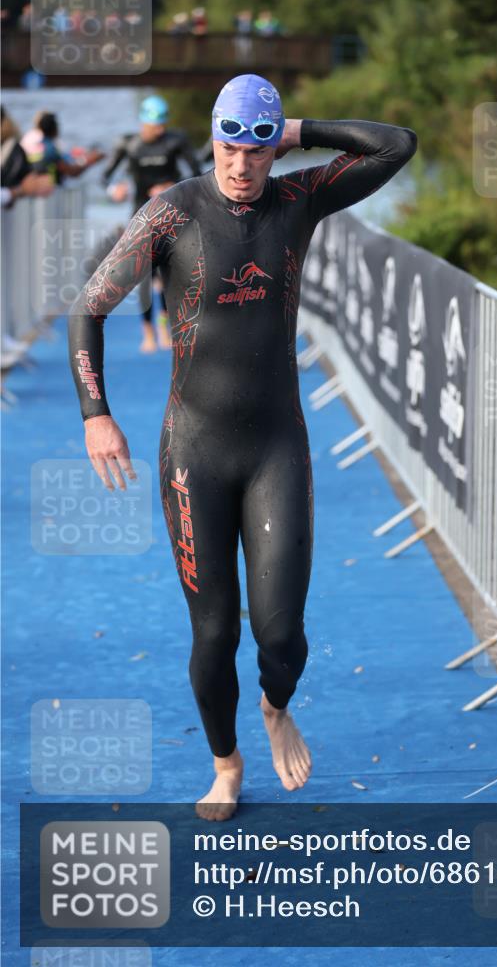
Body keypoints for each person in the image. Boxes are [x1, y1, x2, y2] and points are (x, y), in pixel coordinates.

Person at [68, 73, 417, 822]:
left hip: (273, 447)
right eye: (229, 146)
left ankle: (275, 704)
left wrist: (298, 131)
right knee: (215, 631)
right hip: (193, 449)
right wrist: (96, 413)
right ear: (215, 140)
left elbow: (397, 145)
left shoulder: (298, 200)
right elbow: (87, 308)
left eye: (256, 149)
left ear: (271, 148)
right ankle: (225, 763)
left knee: (282, 633)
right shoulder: (170, 214)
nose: (240, 165)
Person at [101, 94, 202, 352]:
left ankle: (164, 326)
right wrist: (115, 190)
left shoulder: (175, 141)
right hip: (141, 214)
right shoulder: (129, 144)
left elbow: (198, 173)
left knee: (168, 274)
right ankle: (147, 332)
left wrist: (170, 186)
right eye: (154, 125)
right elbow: (105, 177)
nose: (159, 130)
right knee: (145, 276)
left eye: (162, 125)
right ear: (142, 123)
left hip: (171, 211)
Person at [20, 111, 105, 186]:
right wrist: (91, 160)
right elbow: (72, 172)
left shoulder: (29, 142)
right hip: (48, 192)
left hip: (30, 188)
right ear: (55, 129)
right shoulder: (49, 148)